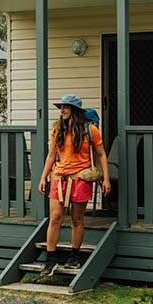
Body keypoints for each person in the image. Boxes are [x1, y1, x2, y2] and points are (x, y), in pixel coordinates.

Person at [38, 94, 111, 276]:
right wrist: (43, 177)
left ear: (75, 111)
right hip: (59, 178)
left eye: (66, 107)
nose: (62, 110)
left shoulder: (90, 129)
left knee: (77, 220)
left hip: (80, 179)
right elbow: (51, 155)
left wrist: (106, 178)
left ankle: (74, 256)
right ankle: (50, 259)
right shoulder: (57, 129)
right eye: (61, 106)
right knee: (55, 218)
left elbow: (101, 154)